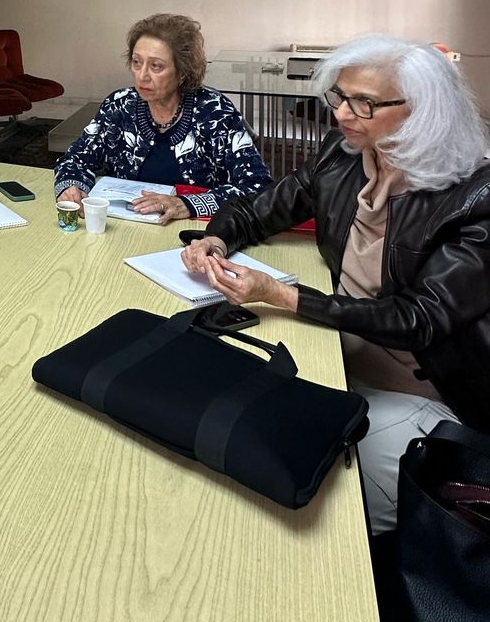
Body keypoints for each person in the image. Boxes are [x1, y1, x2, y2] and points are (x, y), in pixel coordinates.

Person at [182, 35, 490, 533]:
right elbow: (264, 208)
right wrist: (214, 239)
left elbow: (419, 318)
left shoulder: (476, 196)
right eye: (340, 96)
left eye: (364, 103)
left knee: (318, 498)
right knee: (218, 407)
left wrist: (282, 295)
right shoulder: (343, 154)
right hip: (335, 351)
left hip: (418, 389)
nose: (342, 113)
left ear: (422, 111)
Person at [53, 13, 271, 222]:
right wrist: (71, 186)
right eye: (136, 62)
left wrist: (187, 204)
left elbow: (258, 187)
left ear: (183, 72)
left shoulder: (215, 112)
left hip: (195, 231)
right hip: (124, 226)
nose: (142, 75)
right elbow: (75, 160)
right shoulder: (120, 105)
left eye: (156, 66)